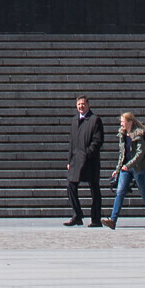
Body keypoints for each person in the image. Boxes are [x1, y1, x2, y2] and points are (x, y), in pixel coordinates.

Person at [107, 111, 145, 229]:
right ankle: (113, 220)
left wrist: (129, 165)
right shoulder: (122, 134)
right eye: (121, 122)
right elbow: (122, 154)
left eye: (123, 122)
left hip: (138, 168)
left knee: (144, 193)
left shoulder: (139, 134)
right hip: (126, 168)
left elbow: (140, 153)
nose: (121, 124)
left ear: (130, 122)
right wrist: (117, 169)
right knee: (120, 192)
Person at [63, 96, 102, 227]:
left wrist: (88, 153)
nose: (81, 106)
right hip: (76, 160)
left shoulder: (95, 120)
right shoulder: (74, 120)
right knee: (71, 185)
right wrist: (69, 160)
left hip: (90, 161)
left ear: (88, 105)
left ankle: (96, 219)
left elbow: (97, 141)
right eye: (79, 104)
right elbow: (72, 142)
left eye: (83, 104)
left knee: (94, 188)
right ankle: (77, 216)